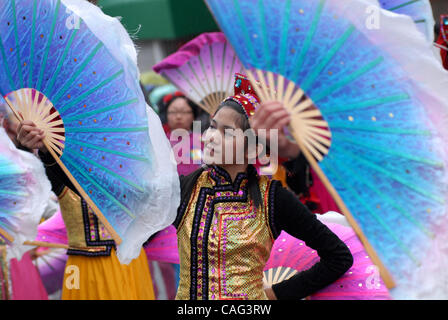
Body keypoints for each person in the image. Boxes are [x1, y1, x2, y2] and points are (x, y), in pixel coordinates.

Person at [174, 73, 353, 300]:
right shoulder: (184, 189)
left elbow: (338, 257)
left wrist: (276, 294)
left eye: (226, 132)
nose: (211, 137)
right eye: (212, 126)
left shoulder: (273, 198)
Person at [15, 119, 155, 300]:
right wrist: (33, 148)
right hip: (86, 269)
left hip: (131, 261)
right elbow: (40, 172)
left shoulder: (131, 167)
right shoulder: (61, 171)